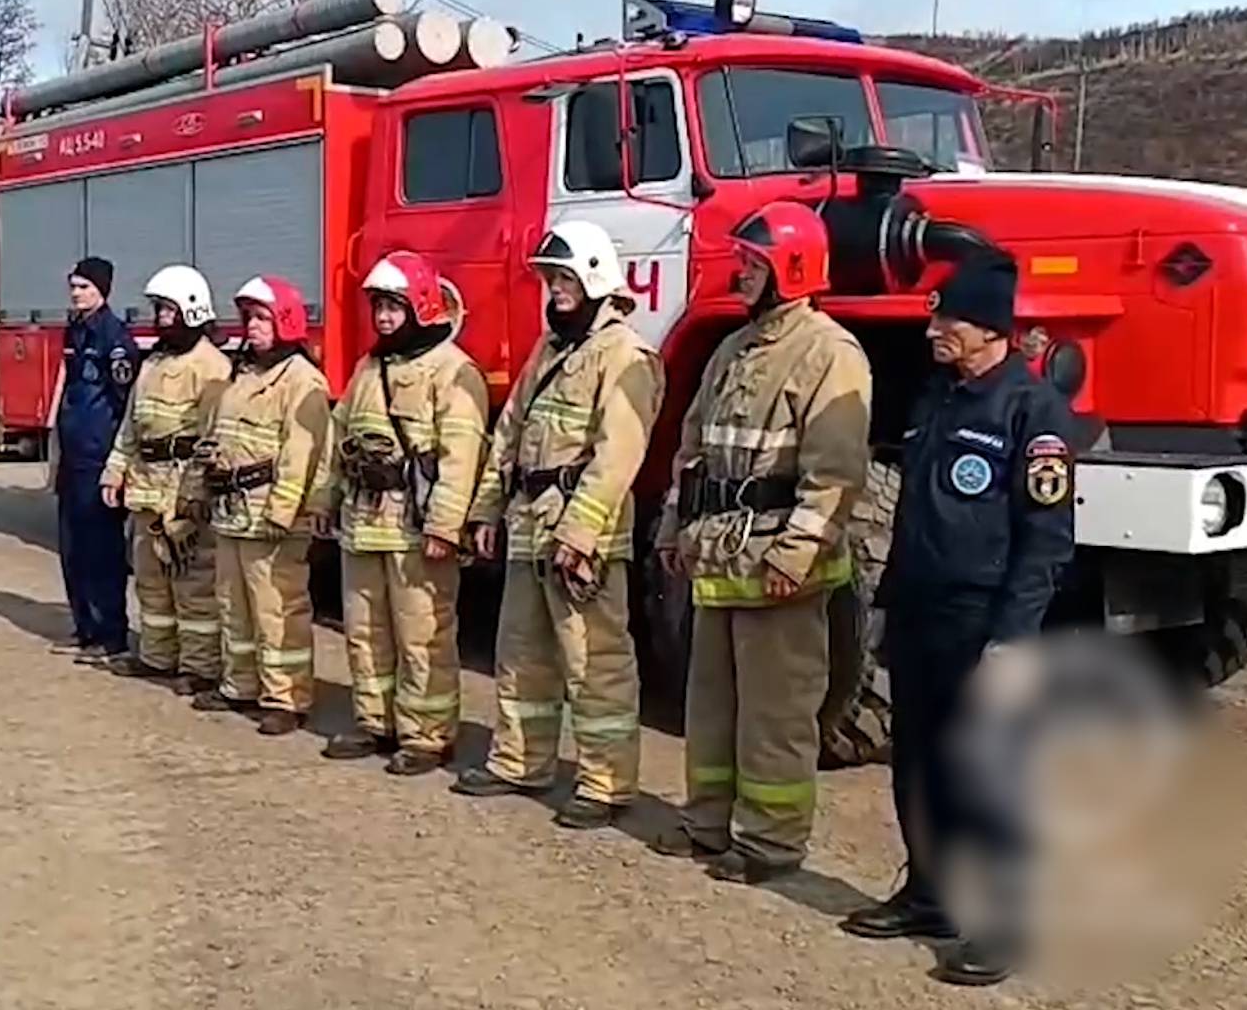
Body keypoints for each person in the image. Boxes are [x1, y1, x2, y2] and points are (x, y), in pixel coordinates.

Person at [839, 254, 1075, 987]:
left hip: (983, 621)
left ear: (989, 329)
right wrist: (887, 607)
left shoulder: (1032, 413)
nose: (934, 328)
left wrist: (1012, 637)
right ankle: (930, 893)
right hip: (919, 611)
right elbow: (916, 510)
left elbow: (1046, 539)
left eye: (948, 318)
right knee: (916, 762)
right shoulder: (938, 396)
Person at [650, 200, 872, 884]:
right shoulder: (731, 348)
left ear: (791, 270)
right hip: (719, 559)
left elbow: (835, 471)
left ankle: (772, 843)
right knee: (711, 705)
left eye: (753, 265)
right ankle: (707, 823)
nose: (741, 274)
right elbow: (692, 448)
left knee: (776, 713)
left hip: (778, 567)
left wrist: (797, 552)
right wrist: (671, 526)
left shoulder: (828, 353)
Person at [453, 221, 664, 829]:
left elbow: (618, 453)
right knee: (521, 652)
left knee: (595, 660)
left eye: (565, 278)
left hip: (583, 537)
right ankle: (520, 762)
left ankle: (605, 782)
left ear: (595, 277)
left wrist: (580, 533)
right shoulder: (549, 350)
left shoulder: (626, 356)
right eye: (550, 278)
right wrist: (487, 509)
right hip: (529, 524)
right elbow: (508, 436)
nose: (555, 289)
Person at [314, 252, 488, 776]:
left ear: (421, 306)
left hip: (415, 527)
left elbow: (462, 454)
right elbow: (335, 439)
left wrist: (445, 525)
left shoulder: (454, 370)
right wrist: (325, 501)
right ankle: (375, 722)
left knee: (423, 634)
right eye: (379, 308)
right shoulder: (372, 367)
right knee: (366, 630)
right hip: (365, 522)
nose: (385, 318)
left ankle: (428, 735)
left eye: (394, 307)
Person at [189, 275, 331, 736]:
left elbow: (303, 452)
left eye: (262, 318)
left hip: (269, 514)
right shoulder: (242, 374)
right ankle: (240, 684)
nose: (252, 327)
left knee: (277, 610)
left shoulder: (302, 379)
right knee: (234, 604)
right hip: (233, 511)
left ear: (285, 321)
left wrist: (283, 511)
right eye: (249, 318)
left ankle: (286, 698)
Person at [100, 265, 231, 695]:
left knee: (194, 584)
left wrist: (193, 499)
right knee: (150, 580)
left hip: (182, 492)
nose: (160, 318)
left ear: (192, 312)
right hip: (146, 488)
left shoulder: (212, 367)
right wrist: (115, 470)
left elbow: (213, 438)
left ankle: (199, 667)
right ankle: (157, 656)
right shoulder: (153, 363)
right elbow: (131, 427)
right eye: (159, 310)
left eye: (168, 311)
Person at [53, 256, 137, 665]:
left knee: (103, 550)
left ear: (102, 290)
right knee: (73, 548)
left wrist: (118, 468)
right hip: (72, 458)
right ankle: (85, 627)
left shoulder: (114, 338)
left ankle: (111, 634)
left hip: (98, 460)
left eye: (83, 286)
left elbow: (125, 407)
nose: (75, 292)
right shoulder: (75, 332)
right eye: (73, 285)